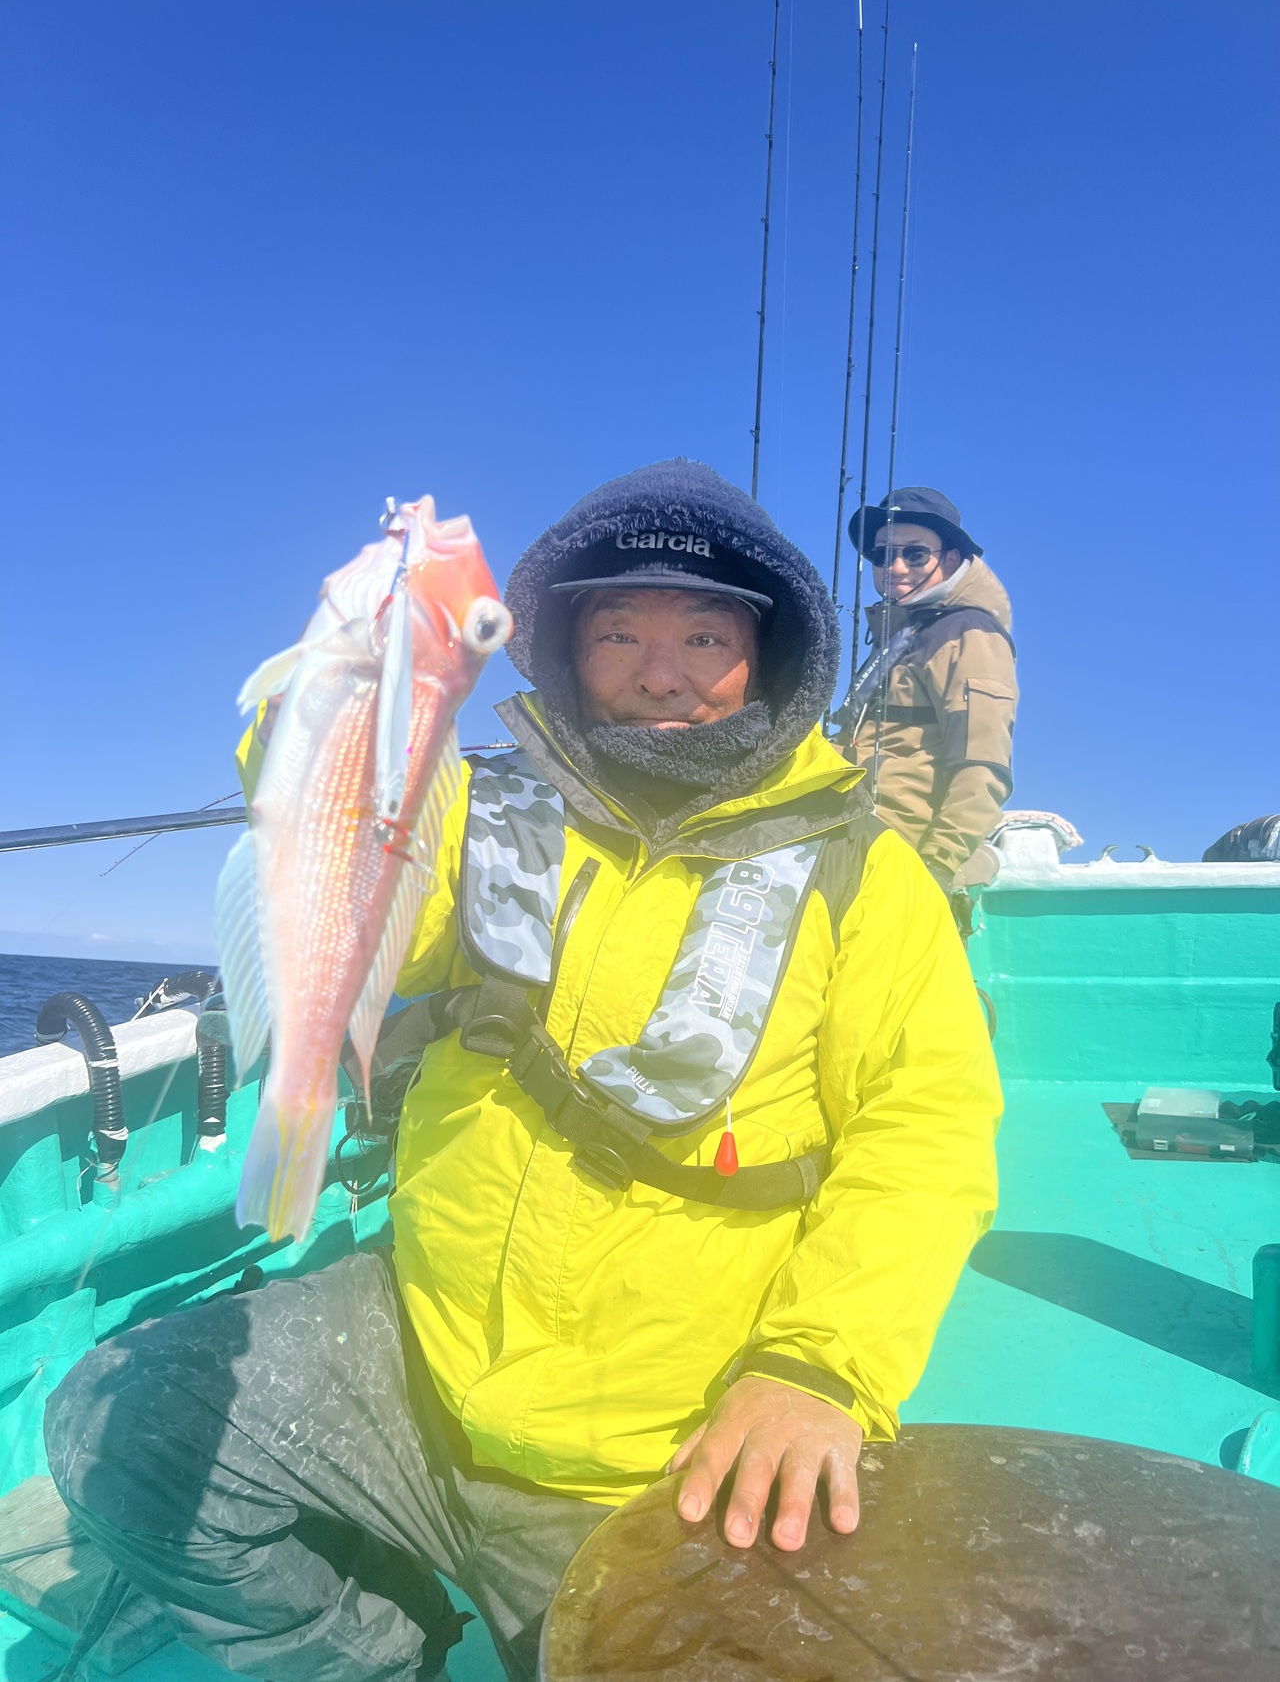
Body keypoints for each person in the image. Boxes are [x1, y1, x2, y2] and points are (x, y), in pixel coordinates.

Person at [44, 460, 1001, 1682]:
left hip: (656, 1443)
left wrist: (817, 1367)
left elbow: (924, 1133)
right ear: (563, 649)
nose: (660, 673)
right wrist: (326, 704)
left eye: (705, 636)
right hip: (422, 1350)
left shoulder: (866, 876)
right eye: (618, 633)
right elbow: (358, 886)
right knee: (118, 1423)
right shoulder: (478, 811)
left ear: (766, 657)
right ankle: (378, 1653)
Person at [836, 487, 1018, 889]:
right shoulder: (907, 634)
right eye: (882, 555)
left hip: (904, 854)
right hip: (855, 837)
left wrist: (938, 865)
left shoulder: (967, 633)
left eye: (915, 554)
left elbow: (982, 765)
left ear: (951, 559)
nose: (896, 566)